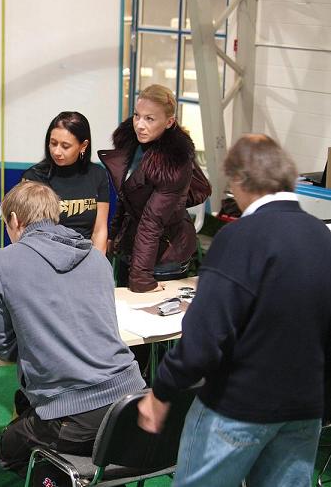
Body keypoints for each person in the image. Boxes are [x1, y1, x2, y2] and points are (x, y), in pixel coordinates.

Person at [137, 135, 331, 487]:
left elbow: (205, 336)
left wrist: (162, 390)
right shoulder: (322, 238)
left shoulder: (240, 238)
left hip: (238, 406)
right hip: (305, 407)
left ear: (239, 179)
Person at [0, 180, 145, 474]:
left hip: (72, 415)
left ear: (14, 220)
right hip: (132, 401)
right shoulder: (96, 257)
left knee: (9, 450)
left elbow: (4, 347)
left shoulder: (1, 261)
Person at [100, 84, 197, 293]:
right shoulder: (132, 143)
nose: (139, 125)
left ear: (169, 122)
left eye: (150, 119)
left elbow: (152, 222)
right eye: (137, 115)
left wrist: (142, 279)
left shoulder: (174, 163)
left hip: (164, 256)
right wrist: (113, 235)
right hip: (133, 248)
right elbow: (125, 196)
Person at [22, 111, 109, 252]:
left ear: (83, 145)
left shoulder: (98, 175)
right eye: (53, 143)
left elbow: (99, 231)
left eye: (65, 146)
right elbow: (24, 231)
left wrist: (98, 263)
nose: (57, 151)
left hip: (85, 255)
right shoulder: (33, 177)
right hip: (44, 255)